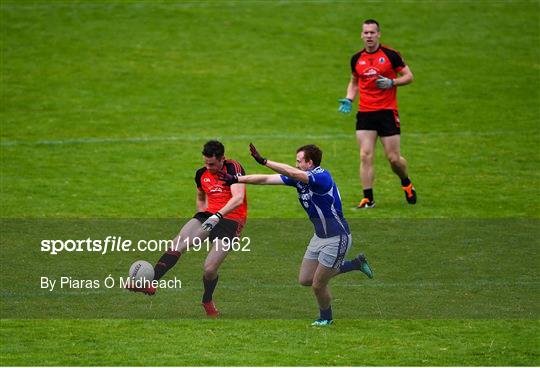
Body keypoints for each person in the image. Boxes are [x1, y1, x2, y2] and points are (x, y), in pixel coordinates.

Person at [218, 143, 373, 326]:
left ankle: (326, 318)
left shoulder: (322, 177)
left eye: (299, 161)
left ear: (310, 162)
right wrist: (237, 178)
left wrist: (264, 160)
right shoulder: (299, 179)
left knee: (318, 285)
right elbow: (267, 180)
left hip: (337, 238)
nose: (296, 164)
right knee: (306, 279)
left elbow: (293, 173)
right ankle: (355, 264)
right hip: (319, 237)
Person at [128, 140, 247, 318]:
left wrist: (217, 217)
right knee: (177, 243)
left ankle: (207, 300)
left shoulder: (233, 168)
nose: (208, 167)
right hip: (208, 216)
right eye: (206, 163)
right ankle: (150, 282)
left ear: (222, 158)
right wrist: (201, 214)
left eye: (212, 164)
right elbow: (200, 195)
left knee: (209, 269)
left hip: (230, 220)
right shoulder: (201, 174)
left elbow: (238, 198)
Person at [338, 18, 416, 208]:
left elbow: (409, 76)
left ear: (379, 34)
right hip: (365, 113)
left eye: (373, 32)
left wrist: (392, 82)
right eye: (366, 32)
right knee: (365, 155)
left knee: (394, 159)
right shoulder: (356, 59)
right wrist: (349, 98)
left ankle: (406, 182)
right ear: (361, 35)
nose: (369, 36)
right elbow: (354, 81)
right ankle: (368, 198)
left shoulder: (391, 55)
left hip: (387, 112)